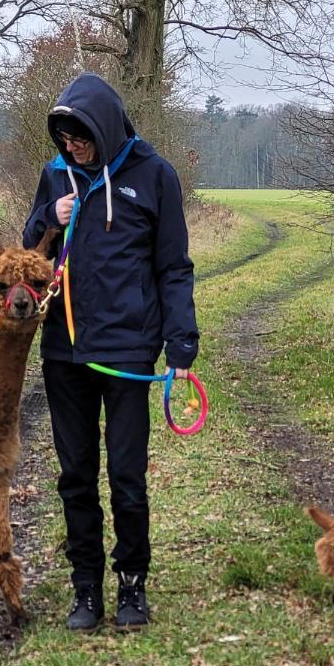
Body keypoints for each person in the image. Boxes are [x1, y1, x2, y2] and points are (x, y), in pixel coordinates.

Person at [22, 73, 198, 632]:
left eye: (82, 138)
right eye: (65, 139)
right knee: (75, 476)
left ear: (107, 127)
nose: (73, 148)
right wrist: (52, 218)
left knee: (126, 475)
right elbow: (29, 245)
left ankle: (132, 586)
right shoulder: (55, 177)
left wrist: (181, 344)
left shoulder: (154, 176)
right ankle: (85, 591)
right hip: (65, 354)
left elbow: (174, 268)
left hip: (127, 352)